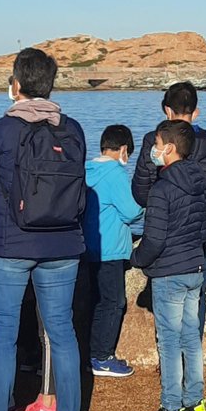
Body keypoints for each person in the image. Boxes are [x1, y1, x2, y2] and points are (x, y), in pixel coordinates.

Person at [0, 48, 86, 411]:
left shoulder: (0, 130)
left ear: (16, 85)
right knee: (62, 332)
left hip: (9, 244)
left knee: (3, 336)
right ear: (50, 84)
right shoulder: (74, 130)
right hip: (63, 242)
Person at [131, 119, 206, 411]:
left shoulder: (162, 188)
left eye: (155, 144)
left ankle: (171, 409)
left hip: (170, 271)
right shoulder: (200, 181)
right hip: (194, 266)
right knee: (191, 337)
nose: (153, 149)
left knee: (169, 341)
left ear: (169, 148)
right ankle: (195, 402)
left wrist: (136, 257)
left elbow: (153, 240)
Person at [131, 82, 206, 338]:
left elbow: (141, 191)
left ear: (167, 111)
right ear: (196, 112)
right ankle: (192, 353)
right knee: (198, 296)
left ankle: (171, 357)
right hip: (202, 230)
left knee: (166, 300)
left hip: (164, 230)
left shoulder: (155, 143)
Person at [82, 124, 143, 377]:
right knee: (113, 302)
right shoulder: (115, 173)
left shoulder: (86, 169)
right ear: (124, 150)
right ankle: (102, 355)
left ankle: (88, 352)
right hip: (111, 250)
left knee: (92, 302)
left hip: (87, 247)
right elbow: (131, 211)